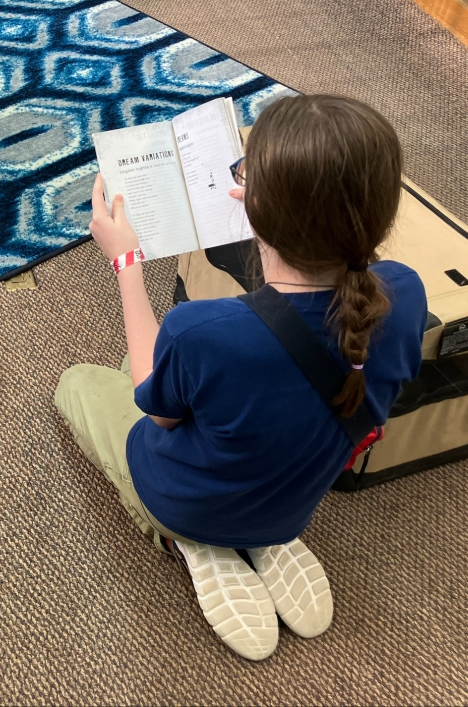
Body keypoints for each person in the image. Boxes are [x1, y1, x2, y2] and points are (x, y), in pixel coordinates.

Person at [54, 95, 427, 661]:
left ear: (252, 210)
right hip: (292, 503)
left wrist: (127, 265)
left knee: (79, 382)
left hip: (184, 496)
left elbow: (155, 409)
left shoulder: (200, 330)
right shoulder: (407, 292)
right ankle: (264, 536)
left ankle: (194, 541)